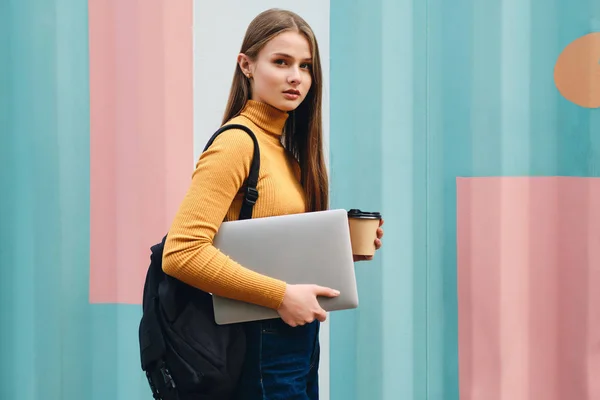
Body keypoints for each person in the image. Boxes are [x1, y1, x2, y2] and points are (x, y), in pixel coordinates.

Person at [162, 8, 384, 400]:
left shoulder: (286, 153)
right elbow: (182, 252)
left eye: (306, 66)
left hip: (294, 340)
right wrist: (280, 295)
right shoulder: (237, 143)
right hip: (260, 340)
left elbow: (270, 249)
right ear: (246, 65)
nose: (296, 77)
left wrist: (340, 251)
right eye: (281, 62)